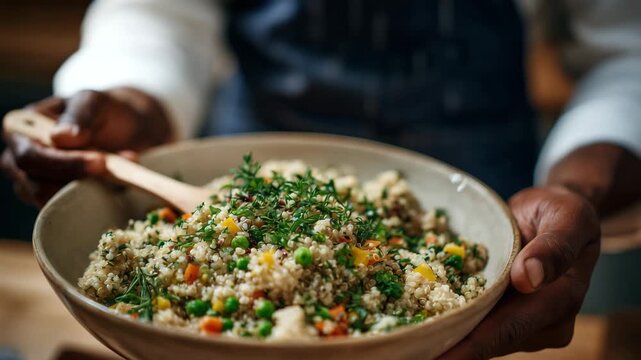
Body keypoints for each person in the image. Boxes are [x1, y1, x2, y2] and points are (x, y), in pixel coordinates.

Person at [2, 1, 641, 358]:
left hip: (482, 204)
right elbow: (159, 13)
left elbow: (628, 48)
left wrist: (578, 190)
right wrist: (130, 103)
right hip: (245, 150)